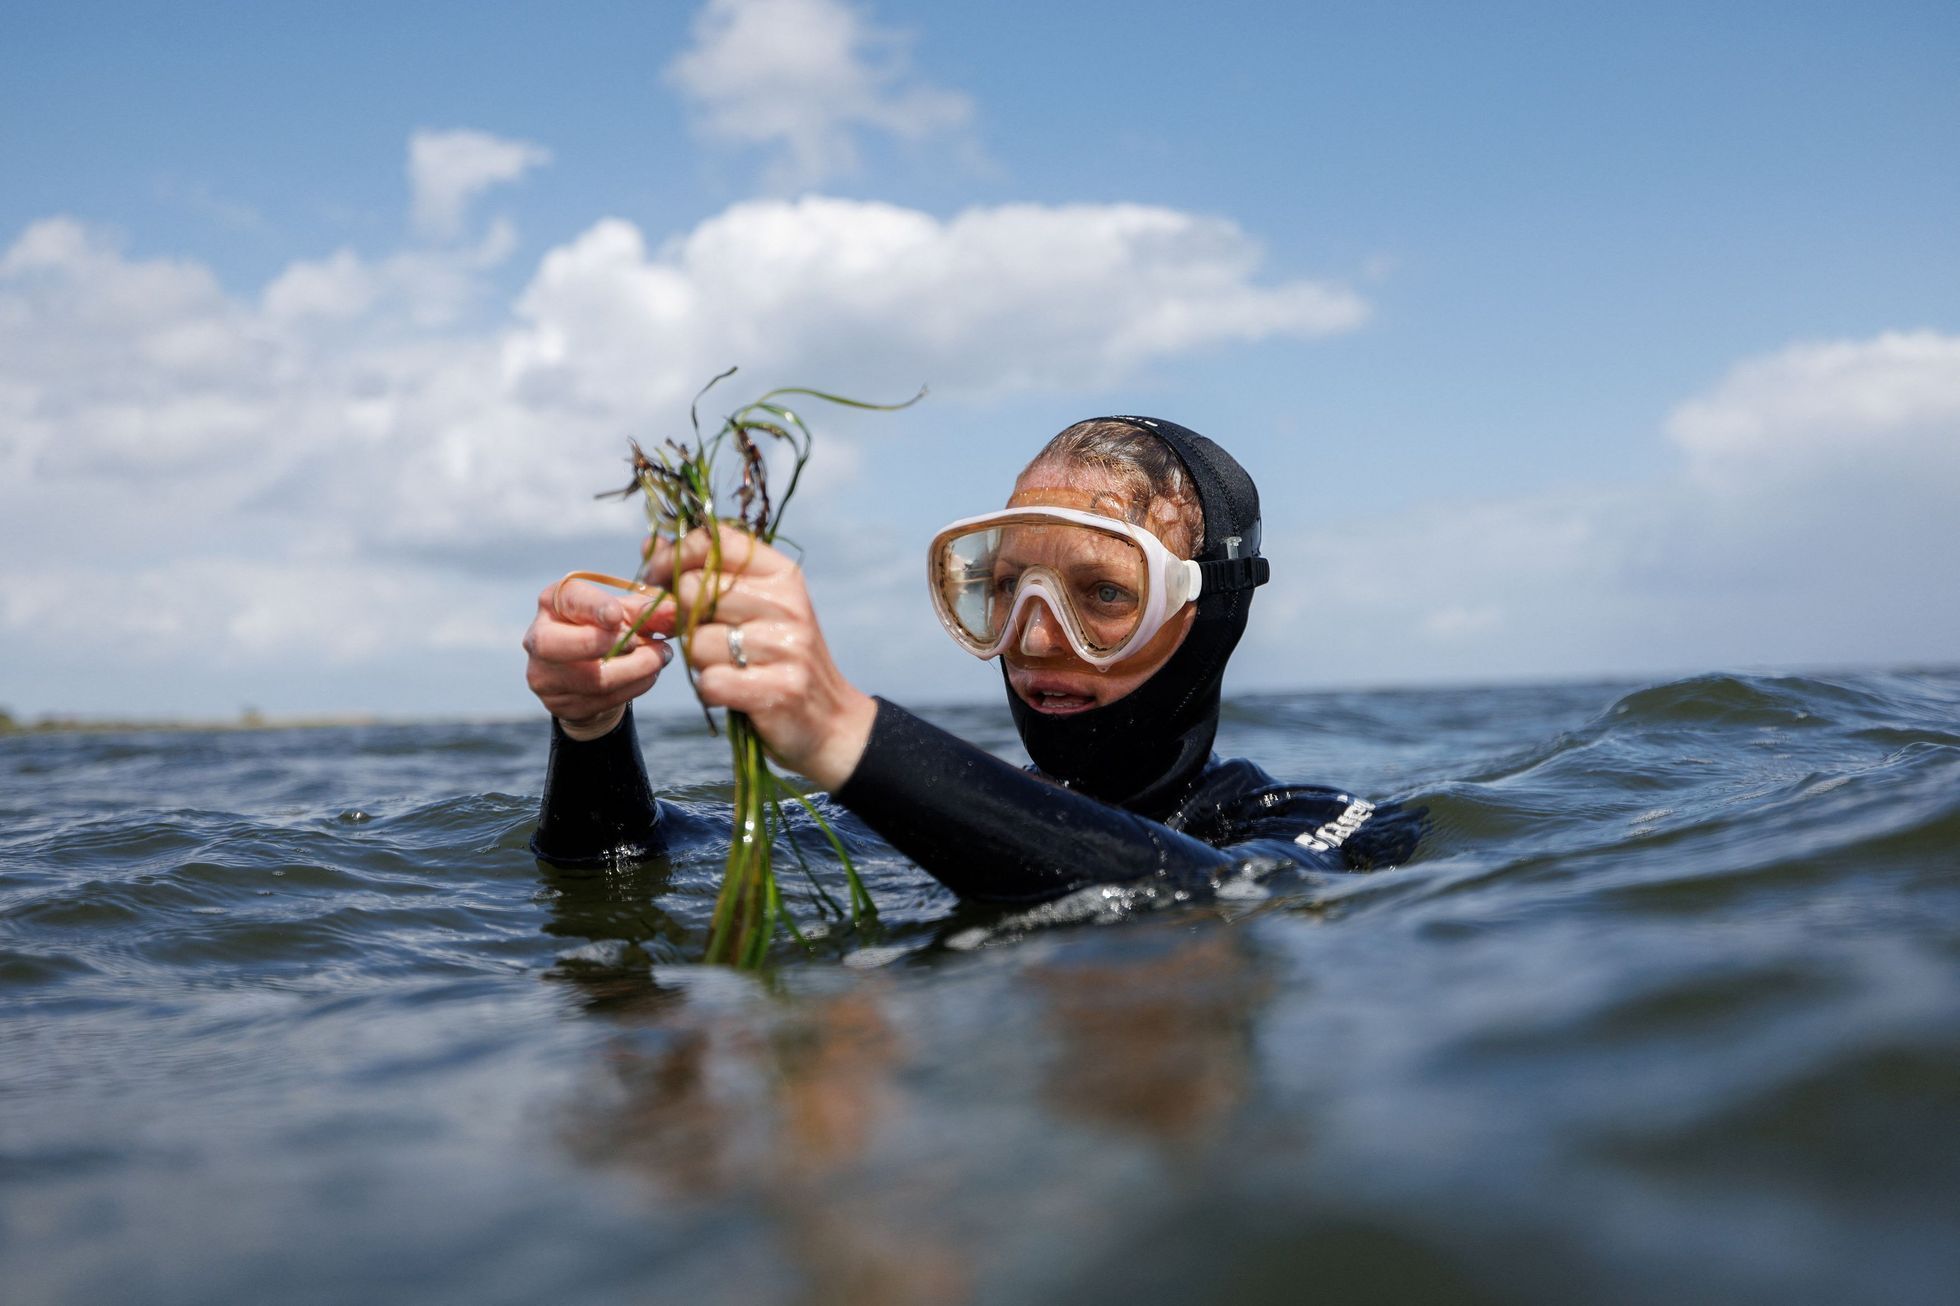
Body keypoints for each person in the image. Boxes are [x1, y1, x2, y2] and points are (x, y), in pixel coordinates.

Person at [523, 416, 1417, 904]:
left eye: (1104, 595)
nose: (1031, 640)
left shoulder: (1314, 823)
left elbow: (1217, 899)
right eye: (1004, 587)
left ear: (1210, 614)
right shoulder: (910, 813)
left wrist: (845, 731)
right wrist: (592, 725)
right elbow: (623, 868)